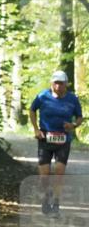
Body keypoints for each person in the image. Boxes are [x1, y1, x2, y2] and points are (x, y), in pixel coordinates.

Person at [29, 70, 83, 217]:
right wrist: (36, 129)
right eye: (56, 83)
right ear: (51, 83)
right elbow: (32, 110)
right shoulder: (42, 96)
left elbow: (79, 117)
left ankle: (56, 204)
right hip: (45, 138)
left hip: (63, 140)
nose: (58, 86)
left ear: (66, 84)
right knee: (44, 174)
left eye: (61, 83)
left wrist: (73, 125)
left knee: (59, 172)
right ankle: (46, 198)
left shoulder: (72, 99)